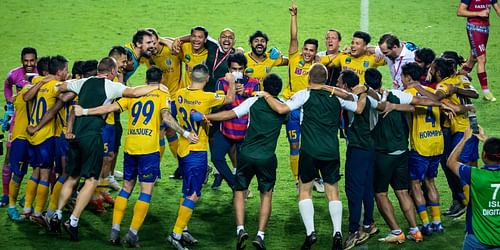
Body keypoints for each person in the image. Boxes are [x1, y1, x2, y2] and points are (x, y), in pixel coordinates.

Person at [72, 66, 196, 247]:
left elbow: (110, 107)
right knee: (146, 191)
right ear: (160, 80)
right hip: (149, 149)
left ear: (146, 80)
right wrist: (184, 133)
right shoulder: (162, 94)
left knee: (126, 188)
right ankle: (132, 233)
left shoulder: (134, 94)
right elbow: (167, 119)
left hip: (131, 148)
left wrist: (84, 112)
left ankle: (114, 230)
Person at [50, 57, 169, 241]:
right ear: (112, 71)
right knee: (91, 180)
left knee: (72, 176)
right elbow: (134, 92)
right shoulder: (110, 85)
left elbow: (59, 88)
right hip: (92, 136)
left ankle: (57, 213)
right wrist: (157, 87)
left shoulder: (82, 82)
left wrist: (50, 85)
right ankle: (73, 220)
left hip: (75, 136)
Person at [258, 64, 365, 250]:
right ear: (325, 79)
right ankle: (337, 233)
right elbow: (358, 107)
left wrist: (266, 95)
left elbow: (282, 109)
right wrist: (360, 92)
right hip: (331, 151)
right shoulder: (337, 97)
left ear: (309, 78)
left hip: (309, 151)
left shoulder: (304, 94)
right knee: (333, 192)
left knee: (304, 190)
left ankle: (310, 233)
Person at [206, 73, 286, 250]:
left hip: (246, 155)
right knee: (266, 195)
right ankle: (260, 235)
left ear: (264, 88)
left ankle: (240, 229)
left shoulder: (253, 101)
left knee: (240, 191)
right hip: (267, 157)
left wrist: (207, 117)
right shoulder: (283, 106)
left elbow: (229, 114)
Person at [368, 66, 443, 244]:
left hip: (384, 154)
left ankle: (396, 231)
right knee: (402, 191)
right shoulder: (396, 94)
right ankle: (415, 230)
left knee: (380, 193)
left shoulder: (369, 100)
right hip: (403, 153)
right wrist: (442, 104)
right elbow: (419, 103)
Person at [166, 64, 235, 250]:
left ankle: (184, 228)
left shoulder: (179, 94)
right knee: (195, 193)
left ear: (190, 77)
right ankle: (176, 233)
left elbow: (171, 115)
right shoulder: (207, 97)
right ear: (206, 79)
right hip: (197, 151)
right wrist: (232, 81)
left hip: (183, 148)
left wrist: (186, 129)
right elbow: (230, 98)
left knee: (186, 190)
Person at [22, 56, 68, 224]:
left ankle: (27, 209)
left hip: (32, 136)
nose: (67, 73)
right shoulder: (56, 87)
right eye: (66, 70)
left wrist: (40, 81)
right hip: (45, 136)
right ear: (60, 71)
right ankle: (38, 212)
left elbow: (27, 96)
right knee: (45, 174)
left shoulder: (41, 84)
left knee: (35, 171)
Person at [402, 62, 445, 236]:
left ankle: (426, 224)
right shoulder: (433, 93)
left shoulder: (407, 94)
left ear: (408, 78)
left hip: (420, 146)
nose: (402, 80)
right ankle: (438, 222)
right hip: (437, 142)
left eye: (403, 77)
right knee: (430, 182)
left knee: (416, 185)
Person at [283, 2, 323, 189]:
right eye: (305, 49)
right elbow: (293, 37)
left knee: (312, 144)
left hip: (309, 109)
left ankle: (314, 176)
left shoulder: (317, 67)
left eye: (311, 50)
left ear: (315, 52)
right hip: (292, 108)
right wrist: (293, 16)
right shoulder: (294, 57)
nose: (307, 52)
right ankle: (298, 179)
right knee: (294, 144)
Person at [210, 53, 259, 190]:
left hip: (245, 133)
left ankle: (242, 187)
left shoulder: (254, 84)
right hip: (226, 130)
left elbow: (257, 107)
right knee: (216, 158)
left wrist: (245, 94)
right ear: (228, 69)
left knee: (244, 164)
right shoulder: (221, 82)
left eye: (240, 69)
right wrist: (230, 89)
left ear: (245, 69)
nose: (237, 72)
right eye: (233, 69)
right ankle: (234, 185)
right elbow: (217, 106)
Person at [447, 126, 500, 249]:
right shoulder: (476, 175)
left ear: (484, 155)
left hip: (476, 239)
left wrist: (464, 139)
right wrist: (485, 139)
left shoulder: (475, 175)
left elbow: (451, 162)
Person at [1, 47, 38, 207]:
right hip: (17, 122)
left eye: (31, 60)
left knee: (39, 161)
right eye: (26, 61)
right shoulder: (14, 74)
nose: (29, 64)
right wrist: (9, 100)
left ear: (36, 60)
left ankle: (28, 197)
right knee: (9, 157)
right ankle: (5, 194)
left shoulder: (41, 73)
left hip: (36, 122)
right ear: (22, 60)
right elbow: (7, 84)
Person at [457, 0, 500, 101]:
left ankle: (455, 80)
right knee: (481, 58)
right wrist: (478, 13)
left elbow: (498, 9)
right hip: (474, 28)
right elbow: (460, 11)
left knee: (473, 58)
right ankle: (486, 93)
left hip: (485, 29)